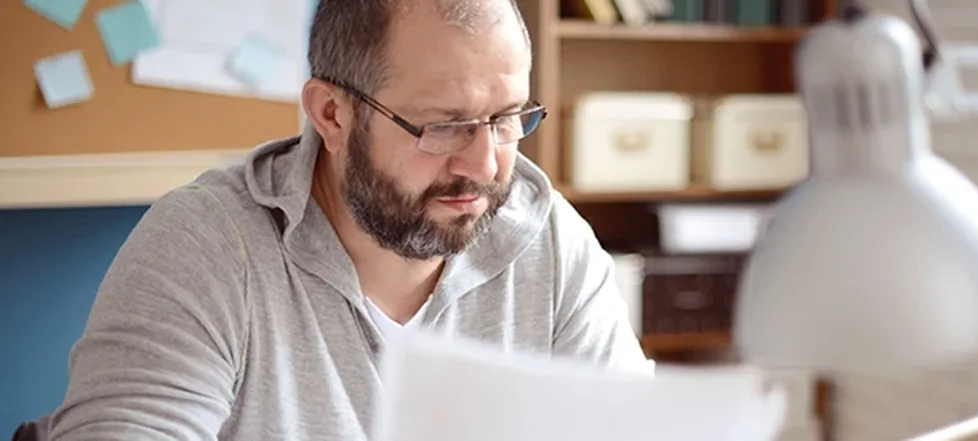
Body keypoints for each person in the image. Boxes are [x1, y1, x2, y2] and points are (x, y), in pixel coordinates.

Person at [48, 0, 652, 439]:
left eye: (507, 119)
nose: (486, 164)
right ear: (332, 115)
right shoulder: (208, 245)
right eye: (443, 126)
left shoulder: (548, 241)